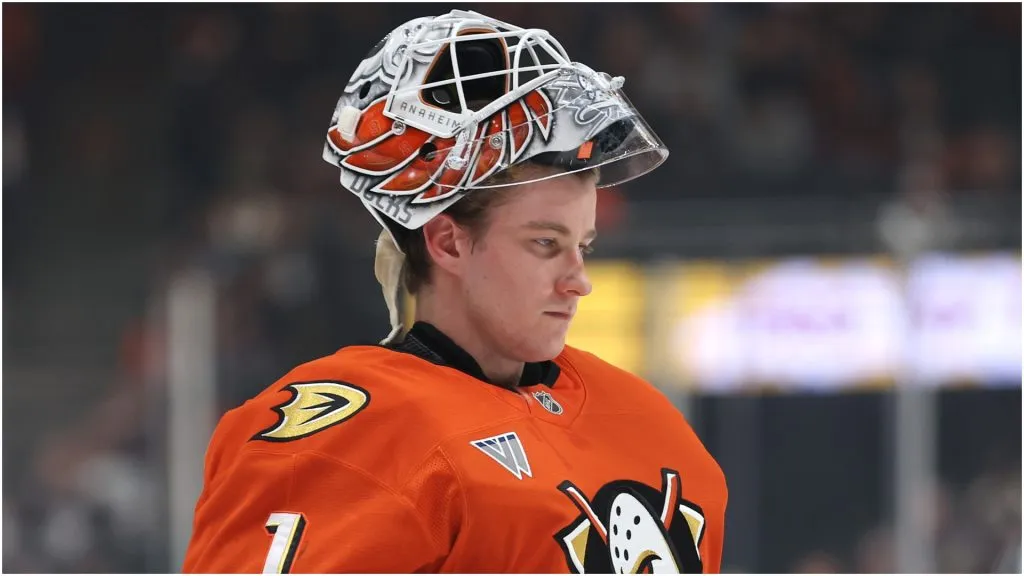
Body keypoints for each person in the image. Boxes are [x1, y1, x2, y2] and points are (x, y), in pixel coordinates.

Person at [183, 9, 727, 573]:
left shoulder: (651, 424)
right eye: (544, 243)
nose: (578, 280)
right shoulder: (351, 437)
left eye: (582, 246)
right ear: (447, 243)